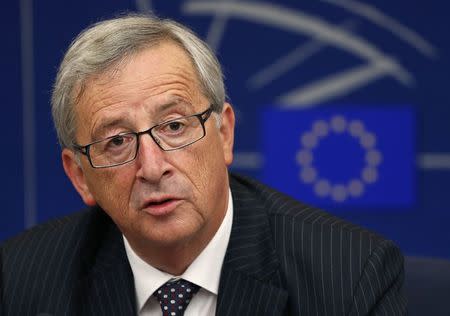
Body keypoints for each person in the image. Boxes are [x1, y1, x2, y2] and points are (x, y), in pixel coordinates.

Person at [0, 13, 406, 315]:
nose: (153, 167)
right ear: (79, 176)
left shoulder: (350, 277)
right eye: (118, 141)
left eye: (174, 126)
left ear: (224, 134)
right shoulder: (19, 283)